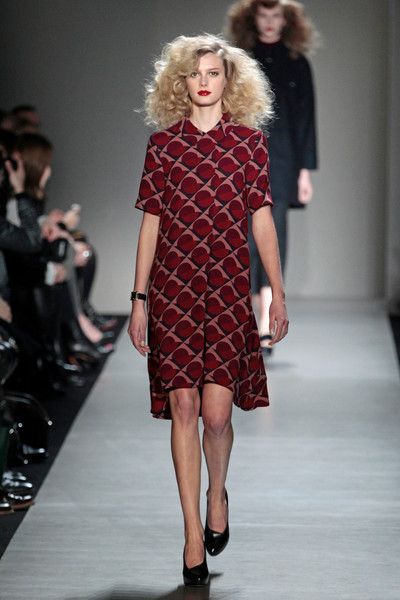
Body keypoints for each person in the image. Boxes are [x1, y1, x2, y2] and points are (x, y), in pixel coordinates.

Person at [128, 34, 289, 586]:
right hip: (173, 290)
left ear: (228, 80)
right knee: (185, 407)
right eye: (195, 73)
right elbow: (151, 223)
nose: (203, 81)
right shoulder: (162, 146)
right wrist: (138, 299)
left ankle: (217, 494)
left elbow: (261, 218)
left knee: (218, 417)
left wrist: (278, 291)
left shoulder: (248, 145)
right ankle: (192, 533)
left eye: (213, 73)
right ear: (182, 81)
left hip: (225, 289)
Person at [226, 0, 318, 354]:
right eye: (263, 15)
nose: (269, 22)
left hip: (282, 162)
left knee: (274, 236)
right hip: (241, 159)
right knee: (243, 239)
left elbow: (306, 120)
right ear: (252, 18)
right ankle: (251, 320)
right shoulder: (238, 60)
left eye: (275, 15)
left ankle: (265, 322)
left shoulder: (297, 63)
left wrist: (304, 172)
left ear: (286, 19)